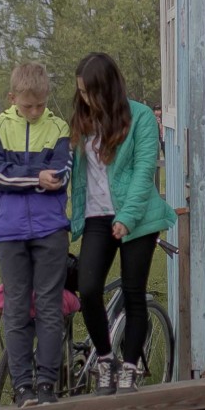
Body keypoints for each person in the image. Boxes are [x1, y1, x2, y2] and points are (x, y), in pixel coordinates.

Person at [68, 52, 174, 392]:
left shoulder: (140, 117)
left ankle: (130, 367)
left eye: (90, 92)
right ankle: (105, 358)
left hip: (137, 217)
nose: (85, 99)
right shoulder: (82, 121)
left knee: (133, 292)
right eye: (81, 92)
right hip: (98, 217)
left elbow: (145, 171)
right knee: (88, 289)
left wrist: (127, 218)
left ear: (108, 89)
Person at [0, 63, 72, 405]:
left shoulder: (59, 127)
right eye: (27, 106)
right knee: (16, 309)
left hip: (50, 231)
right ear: (12, 98)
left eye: (39, 105)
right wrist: (34, 178)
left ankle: (47, 384)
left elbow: (60, 172)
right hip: (10, 232)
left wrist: (13, 175)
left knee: (49, 307)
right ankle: (22, 387)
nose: (34, 112)